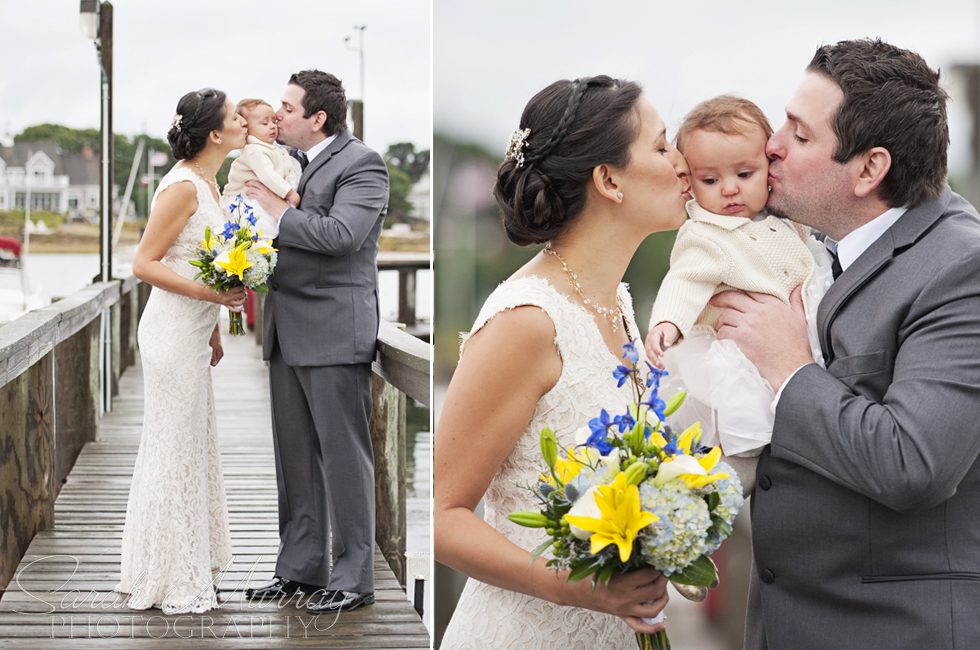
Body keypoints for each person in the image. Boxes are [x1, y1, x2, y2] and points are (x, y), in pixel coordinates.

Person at [710, 39, 980, 649]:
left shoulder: (963, 268)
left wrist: (789, 368)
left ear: (869, 169)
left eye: (800, 136)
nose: (771, 144)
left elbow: (913, 462)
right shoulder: (805, 249)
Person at [435, 75, 690, 648]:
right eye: (662, 144)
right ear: (608, 180)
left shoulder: (618, 303)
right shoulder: (526, 322)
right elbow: (442, 515)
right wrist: (573, 587)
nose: (683, 161)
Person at [242, 70, 389, 615]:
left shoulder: (362, 164)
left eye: (286, 106)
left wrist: (280, 213)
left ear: (317, 118)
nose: (277, 115)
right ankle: (299, 570)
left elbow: (342, 236)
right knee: (295, 458)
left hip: (333, 332)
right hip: (284, 330)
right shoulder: (284, 163)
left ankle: (353, 578)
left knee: (344, 460)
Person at [115, 88, 248, 614]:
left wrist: (214, 324)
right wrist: (214, 296)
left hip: (194, 333)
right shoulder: (181, 187)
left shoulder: (210, 184)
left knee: (191, 447)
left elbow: (196, 257)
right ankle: (166, 573)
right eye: (236, 116)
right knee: (172, 449)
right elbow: (145, 263)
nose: (243, 121)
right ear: (215, 133)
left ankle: (187, 560)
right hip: (169, 334)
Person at [644, 96, 832, 458]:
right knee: (749, 433)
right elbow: (684, 281)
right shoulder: (705, 234)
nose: (729, 189)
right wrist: (668, 322)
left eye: (744, 175)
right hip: (746, 357)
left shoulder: (784, 217)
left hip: (804, 341)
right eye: (710, 179)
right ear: (690, 182)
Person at [219, 98, 301, 238]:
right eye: (264, 123)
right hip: (245, 201)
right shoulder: (254, 150)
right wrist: (289, 193)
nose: (272, 126)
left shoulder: (272, 148)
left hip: (261, 199)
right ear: (247, 129)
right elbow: (267, 174)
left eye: (273, 121)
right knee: (256, 233)